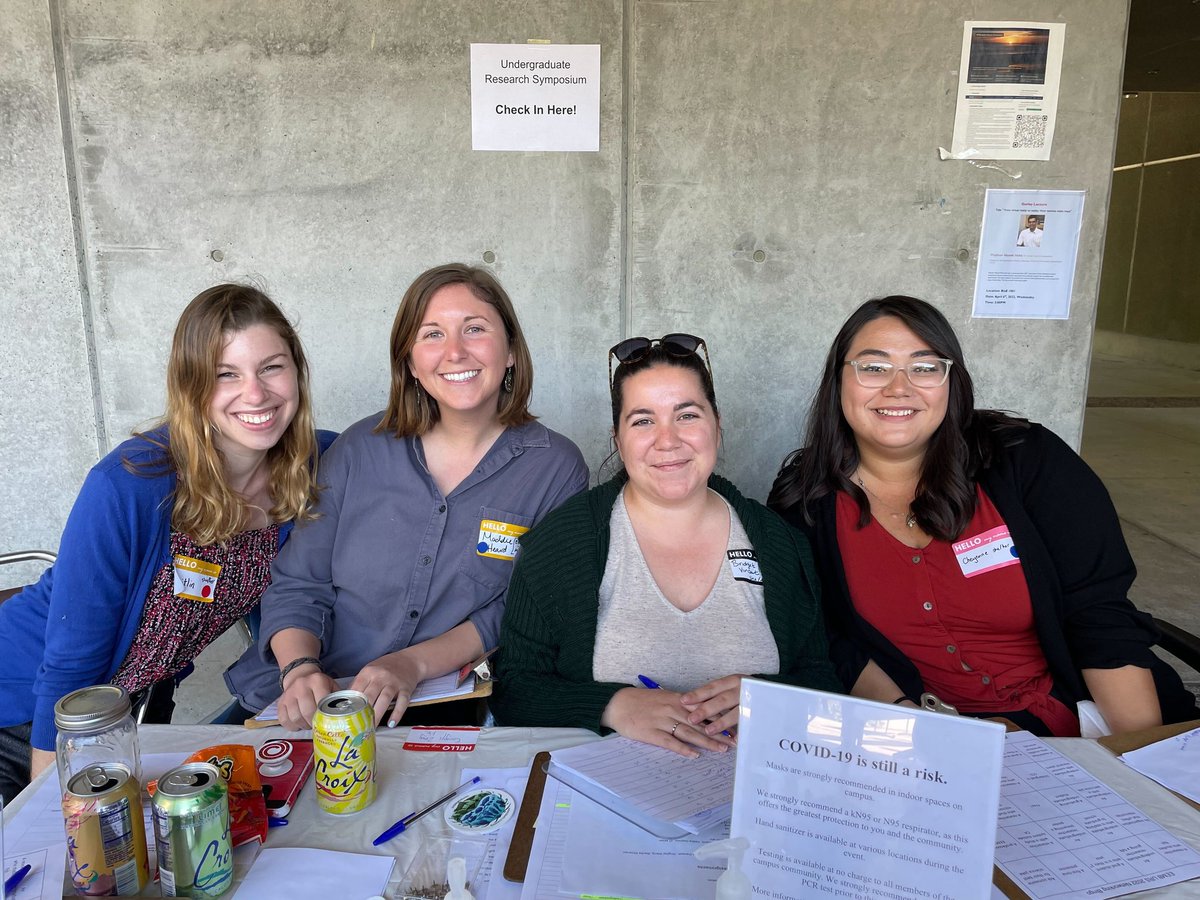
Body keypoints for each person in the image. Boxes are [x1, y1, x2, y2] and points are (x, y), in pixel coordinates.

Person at [768, 295, 1199, 737]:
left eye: (925, 366)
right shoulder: (804, 500)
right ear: (839, 380)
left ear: (951, 381)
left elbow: (1100, 615)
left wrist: (1136, 756)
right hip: (928, 738)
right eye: (873, 367)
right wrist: (911, 723)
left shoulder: (1026, 460)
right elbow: (831, 638)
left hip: (1082, 719)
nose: (899, 387)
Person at [0, 284, 335, 803]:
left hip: (138, 716)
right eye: (226, 374)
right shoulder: (132, 483)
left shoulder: (316, 464)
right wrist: (53, 803)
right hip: (29, 716)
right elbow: (69, 668)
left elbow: (405, 450)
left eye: (272, 367)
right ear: (192, 387)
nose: (256, 394)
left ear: (297, 372)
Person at [226, 264, 588, 730]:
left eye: (474, 329)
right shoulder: (358, 449)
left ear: (511, 350)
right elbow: (300, 581)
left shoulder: (554, 468)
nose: (455, 352)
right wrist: (300, 670)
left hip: (445, 707)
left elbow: (524, 609)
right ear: (410, 361)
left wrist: (411, 665)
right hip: (307, 696)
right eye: (432, 334)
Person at [491, 334, 840, 757]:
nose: (668, 440)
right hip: (606, 804)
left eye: (687, 415)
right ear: (617, 438)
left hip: (757, 803)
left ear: (717, 422)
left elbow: (825, 681)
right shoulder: (561, 544)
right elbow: (513, 690)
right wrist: (611, 705)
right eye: (642, 420)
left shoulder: (780, 543)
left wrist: (772, 699)